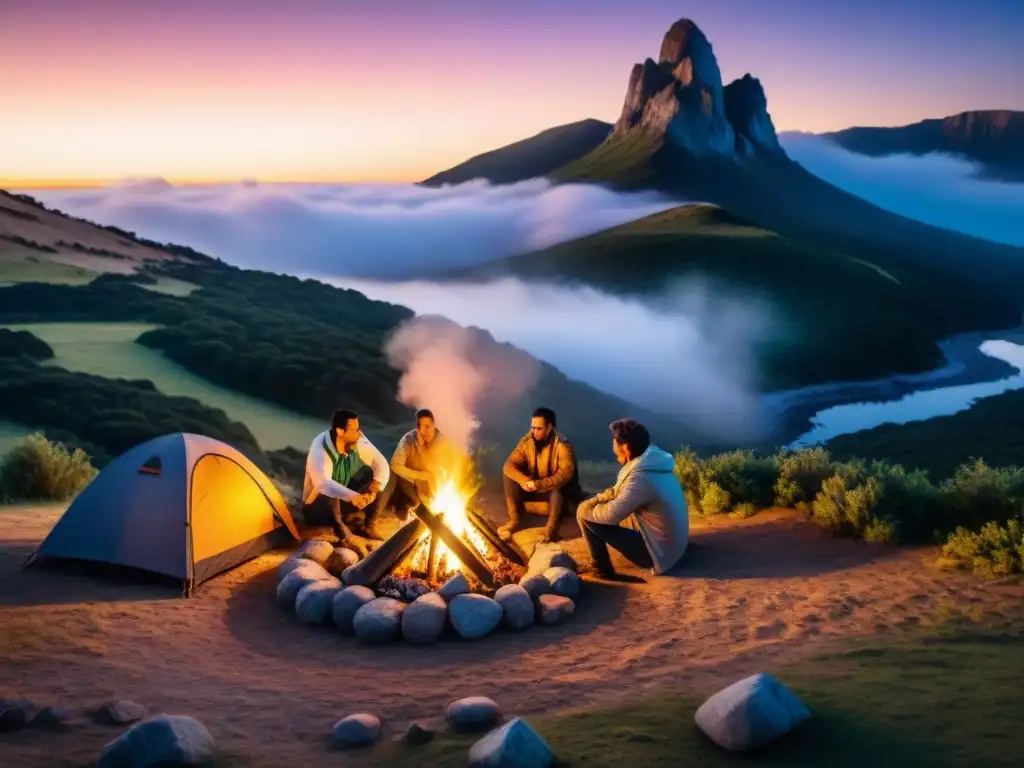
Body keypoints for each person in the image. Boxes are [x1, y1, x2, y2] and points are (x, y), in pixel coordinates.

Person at [576, 418, 689, 579]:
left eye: (615, 442)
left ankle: (601, 569)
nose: (613, 447)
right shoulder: (651, 463)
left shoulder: (640, 477)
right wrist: (593, 501)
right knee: (592, 507)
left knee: (587, 516)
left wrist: (584, 509)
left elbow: (611, 515)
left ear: (626, 447)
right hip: (673, 548)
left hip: (659, 555)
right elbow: (615, 494)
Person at [302, 408, 395, 551]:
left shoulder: (358, 441)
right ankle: (345, 535)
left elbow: (381, 464)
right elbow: (323, 483)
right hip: (317, 508)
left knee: (385, 476)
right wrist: (354, 496)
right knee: (328, 488)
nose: (359, 433)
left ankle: (368, 525)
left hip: (344, 502)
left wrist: (372, 491)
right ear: (340, 431)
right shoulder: (320, 448)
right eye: (355, 430)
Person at [501, 407, 582, 543]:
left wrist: (538, 484)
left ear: (549, 427)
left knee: (557, 488)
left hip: (560, 491)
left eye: (539, 428)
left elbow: (565, 474)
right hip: (537, 487)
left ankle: (552, 529)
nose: (534, 432)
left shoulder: (563, 444)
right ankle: (515, 520)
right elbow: (509, 465)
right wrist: (524, 481)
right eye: (533, 428)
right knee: (509, 476)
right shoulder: (527, 441)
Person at [378, 408, 469, 516]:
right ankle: (374, 517)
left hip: (426, 489)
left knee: (420, 504)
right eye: (421, 426)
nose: (424, 431)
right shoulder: (409, 440)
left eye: (428, 426)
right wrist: (419, 475)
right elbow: (394, 465)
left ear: (434, 426)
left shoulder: (442, 443)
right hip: (406, 479)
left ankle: (402, 505)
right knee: (391, 478)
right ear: (417, 428)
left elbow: (446, 473)